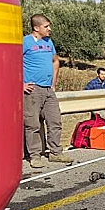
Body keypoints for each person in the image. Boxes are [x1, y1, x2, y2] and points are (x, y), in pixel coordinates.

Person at [23, 14, 73, 168]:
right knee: (33, 124)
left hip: (48, 89)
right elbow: (11, 63)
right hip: (32, 89)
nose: (49, 29)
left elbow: (55, 61)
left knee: (55, 121)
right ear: (36, 28)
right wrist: (21, 84)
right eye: (46, 26)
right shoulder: (25, 42)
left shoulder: (48, 42)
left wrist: (53, 83)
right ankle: (35, 155)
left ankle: (55, 152)